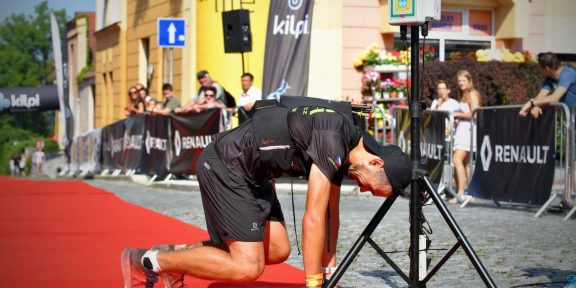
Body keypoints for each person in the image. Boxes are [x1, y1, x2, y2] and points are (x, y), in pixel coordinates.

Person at [121, 102, 412, 288]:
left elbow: (329, 214)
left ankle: (174, 260)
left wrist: (329, 273)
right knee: (248, 266)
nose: (362, 189)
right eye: (370, 187)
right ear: (376, 162)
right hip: (226, 164)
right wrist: (313, 284)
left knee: (276, 250)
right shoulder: (333, 138)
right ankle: (147, 260)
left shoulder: (348, 143)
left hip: (254, 174)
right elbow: (312, 217)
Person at [519, 52, 576, 206]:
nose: (539, 71)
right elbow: (541, 96)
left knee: (574, 161)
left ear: (546, 67)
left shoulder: (568, 73)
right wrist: (536, 104)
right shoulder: (549, 78)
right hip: (572, 120)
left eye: (540, 68)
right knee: (571, 160)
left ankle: (570, 197)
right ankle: (568, 198)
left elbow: (555, 97)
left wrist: (532, 103)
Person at [451, 70, 482, 204]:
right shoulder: (464, 94)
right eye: (459, 81)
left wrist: (458, 115)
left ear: (469, 81)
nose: (461, 83)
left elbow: (475, 114)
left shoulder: (473, 93)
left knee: (457, 159)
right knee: (466, 163)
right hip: (463, 129)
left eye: (463, 80)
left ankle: (461, 192)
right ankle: (470, 192)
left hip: (468, 131)